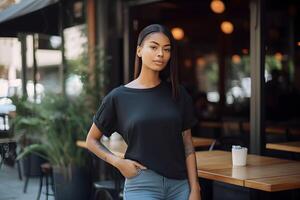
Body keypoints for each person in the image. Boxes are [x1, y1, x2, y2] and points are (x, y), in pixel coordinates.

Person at [86, 24, 201, 200]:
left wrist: (195, 188)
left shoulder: (178, 94)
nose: (161, 54)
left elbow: (187, 146)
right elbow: (91, 140)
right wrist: (119, 163)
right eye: (154, 47)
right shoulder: (118, 97)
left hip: (180, 186)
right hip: (142, 184)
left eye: (166, 49)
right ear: (139, 51)